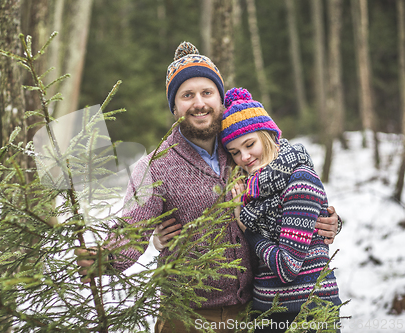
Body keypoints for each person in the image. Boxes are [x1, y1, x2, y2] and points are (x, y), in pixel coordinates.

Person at [76, 42, 340, 333]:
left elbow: (290, 195)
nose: (199, 103)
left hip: (253, 312)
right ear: (174, 106)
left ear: (220, 98)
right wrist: (107, 257)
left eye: (207, 92)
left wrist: (327, 220)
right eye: (187, 95)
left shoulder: (242, 149)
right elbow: (133, 228)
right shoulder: (156, 165)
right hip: (188, 317)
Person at [156, 87, 342, 332]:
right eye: (234, 152)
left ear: (267, 134)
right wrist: (161, 238)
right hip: (264, 311)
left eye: (249, 144)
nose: (244, 156)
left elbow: (287, 267)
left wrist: (245, 226)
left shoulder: (298, 179)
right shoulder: (250, 189)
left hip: (307, 312)